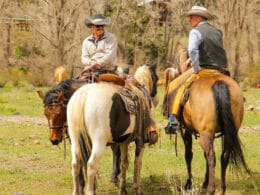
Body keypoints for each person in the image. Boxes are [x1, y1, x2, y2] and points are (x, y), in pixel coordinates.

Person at [165, 5, 228, 134]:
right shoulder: (217, 31)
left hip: (204, 70)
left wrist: (196, 67)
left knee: (181, 89)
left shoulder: (195, 31)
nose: (189, 20)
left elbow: (193, 50)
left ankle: (173, 119)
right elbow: (212, 50)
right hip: (219, 69)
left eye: (192, 17)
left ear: (199, 17)